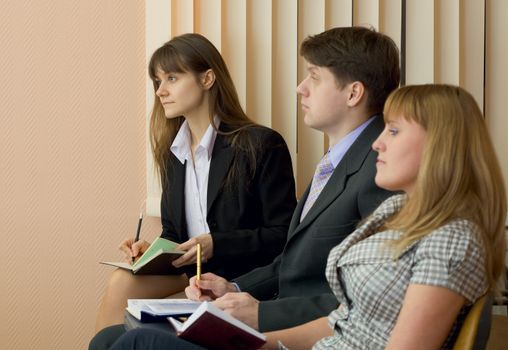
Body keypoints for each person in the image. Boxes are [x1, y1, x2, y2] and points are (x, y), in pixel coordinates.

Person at [107, 84, 506, 350]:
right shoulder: (395, 213)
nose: (378, 142)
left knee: (137, 343)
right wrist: (265, 342)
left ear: (441, 146)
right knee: (113, 338)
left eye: (395, 131)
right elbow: (343, 320)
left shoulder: (452, 238)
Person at [182, 26, 399, 332]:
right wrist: (234, 288)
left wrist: (263, 315)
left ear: (353, 93)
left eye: (314, 76)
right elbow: (295, 263)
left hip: (303, 333)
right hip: (278, 318)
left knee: (132, 342)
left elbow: (369, 299)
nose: (300, 87)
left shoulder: (383, 169)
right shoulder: (336, 161)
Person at [93, 33, 296, 337]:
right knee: (121, 281)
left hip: (245, 272)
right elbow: (175, 234)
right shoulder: (172, 153)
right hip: (193, 272)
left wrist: (216, 243)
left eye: (172, 77)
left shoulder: (260, 144)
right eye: (157, 82)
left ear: (207, 78)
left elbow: (284, 236)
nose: (161, 91)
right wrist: (152, 252)